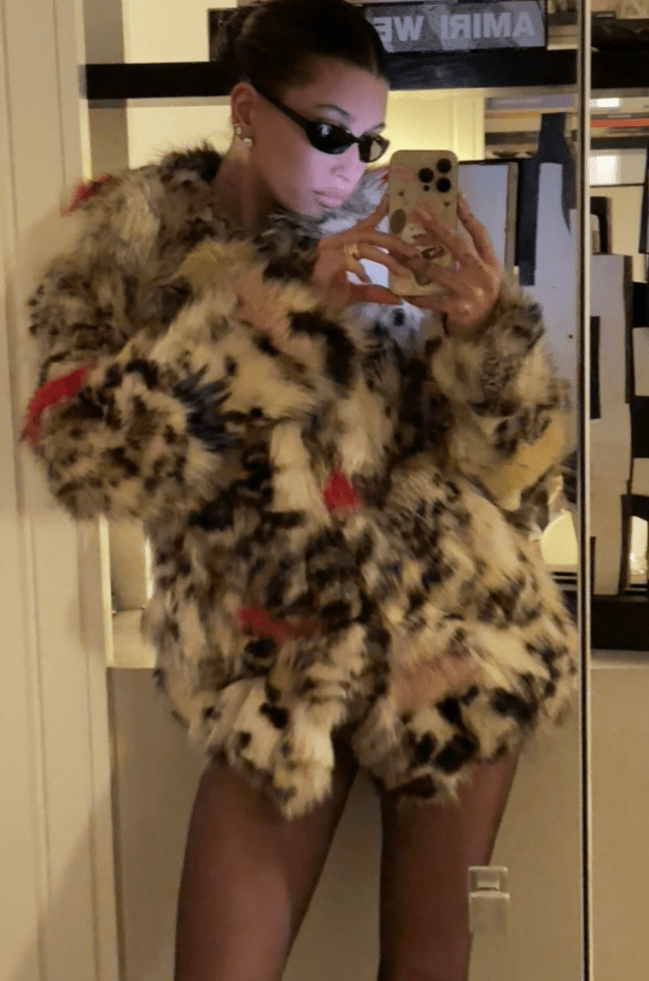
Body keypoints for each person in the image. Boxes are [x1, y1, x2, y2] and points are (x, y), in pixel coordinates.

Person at [24, 2, 577, 979]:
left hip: (452, 636)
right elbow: (86, 450)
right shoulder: (135, 244)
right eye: (329, 133)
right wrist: (281, 323)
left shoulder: (381, 244)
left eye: (370, 142)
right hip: (272, 660)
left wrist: (485, 337)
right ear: (246, 109)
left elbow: (525, 491)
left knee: (426, 969)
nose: (350, 166)